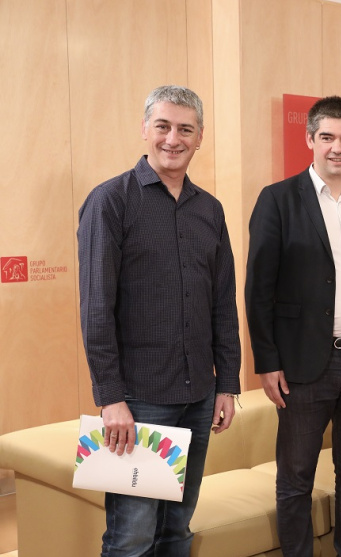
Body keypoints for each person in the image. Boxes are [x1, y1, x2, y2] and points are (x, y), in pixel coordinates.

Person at [78, 85, 241, 556]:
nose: (173, 139)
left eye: (185, 129)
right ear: (145, 129)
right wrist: (111, 398)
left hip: (199, 395)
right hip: (139, 401)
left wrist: (227, 384)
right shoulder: (110, 201)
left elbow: (222, 304)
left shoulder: (210, 210)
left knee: (176, 531)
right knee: (131, 539)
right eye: (163, 126)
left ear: (200, 137)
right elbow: (96, 309)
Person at [245, 95, 341, 557]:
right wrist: (267, 361)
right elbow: (258, 289)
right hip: (303, 366)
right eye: (327, 137)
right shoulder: (277, 200)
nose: (337, 147)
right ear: (310, 139)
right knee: (296, 479)